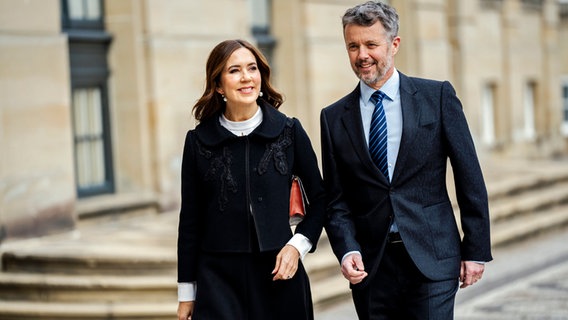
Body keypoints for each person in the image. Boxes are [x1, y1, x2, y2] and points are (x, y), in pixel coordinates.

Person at [320, 2, 493, 319]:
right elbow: (336, 198)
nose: (362, 55)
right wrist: (347, 248)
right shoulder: (333, 118)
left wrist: (476, 249)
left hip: (433, 258)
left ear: (394, 44)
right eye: (353, 46)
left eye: (371, 44)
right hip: (372, 267)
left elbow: (469, 175)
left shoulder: (436, 97)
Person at [176, 39, 325, 320]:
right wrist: (186, 293)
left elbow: (320, 199)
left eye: (252, 68)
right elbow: (190, 222)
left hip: (279, 278)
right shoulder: (197, 142)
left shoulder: (289, 132)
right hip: (217, 280)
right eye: (234, 70)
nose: (246, 77)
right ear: (218, 85)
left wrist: (297, 246)